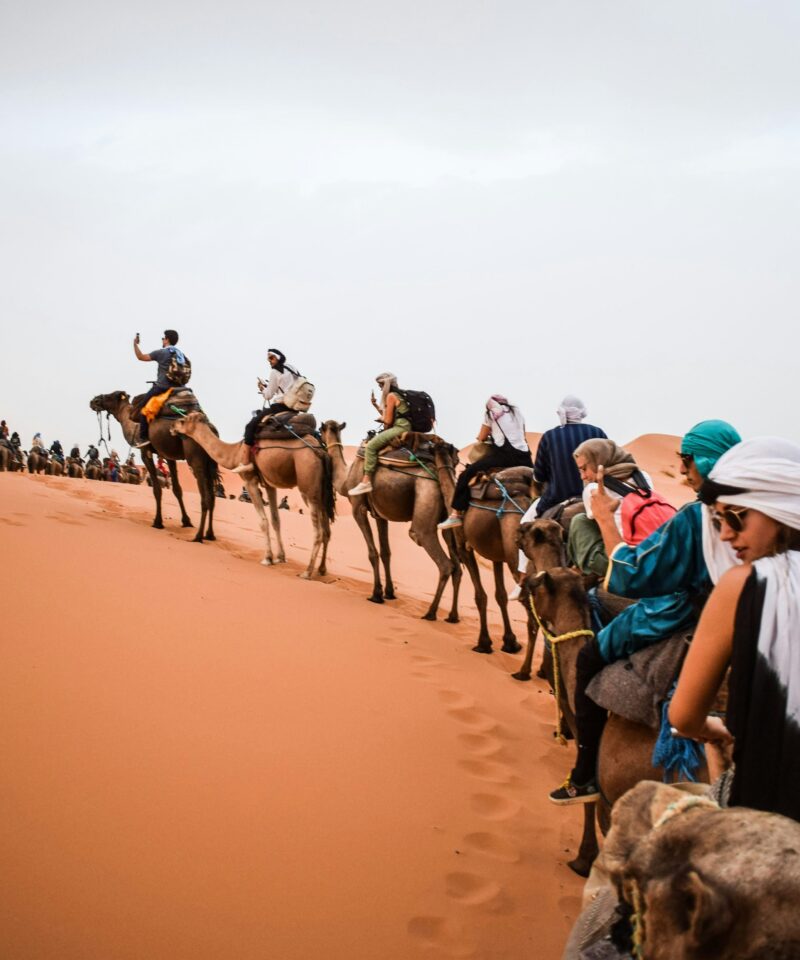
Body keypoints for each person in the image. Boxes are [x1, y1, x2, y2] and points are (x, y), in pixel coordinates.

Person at [549, 420, 742, 805]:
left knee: (587, 658)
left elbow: (630, 574)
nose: (684, 469)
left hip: (684, 613)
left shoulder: (701, 516)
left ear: (705, 460)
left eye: (687, 460)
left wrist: (603, 517)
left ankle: (585, 773)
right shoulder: (761, 507)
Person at [670, 437, 800, 821]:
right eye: (717, 520)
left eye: (735, 516)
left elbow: (683, 717)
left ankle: (583, 773)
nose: (725, 534)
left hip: (767, 823)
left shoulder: (741, 584)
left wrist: (712, 730)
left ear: (780, 507)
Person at [438, 395, 532, 529]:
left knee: (466, 475)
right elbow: (521, 433)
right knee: (538, 482)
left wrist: (487, 435)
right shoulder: (518, 413)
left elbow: (481, 437)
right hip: (524, 457)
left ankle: (456, 514)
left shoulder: (491, 414)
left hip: (504, 456)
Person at [566, 439, 656, 578]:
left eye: (584, 469)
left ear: (599, 462)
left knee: (580, 521)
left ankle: (580, 567)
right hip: (652, 553)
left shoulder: (594, 490)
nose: (583, 476)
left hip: (624, 560)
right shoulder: (644, 477)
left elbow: (595, 521)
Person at [533, 396, 607, 517]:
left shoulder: (549, 436)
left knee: (526, 523)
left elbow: (539, 476)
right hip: (597, 498)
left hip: (556, 500)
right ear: (582, 413)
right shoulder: (598, 433)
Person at [233, 348, 302, 475]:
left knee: (250, 426)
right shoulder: (291, 367)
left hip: (281, 406)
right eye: (268, 359)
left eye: (271, 358)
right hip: (295, 406)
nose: (269, 361)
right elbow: (288, 387)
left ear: (278, 357)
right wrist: (268, 385)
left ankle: (245, 462)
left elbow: (268, 395)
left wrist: (262, 389)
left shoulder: (274, 372)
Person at [348, 373, 415, 496]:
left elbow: (388, 420)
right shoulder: (401, 395)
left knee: (371, 446)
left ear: (386, 384)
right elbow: (393, 415)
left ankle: (366, 481)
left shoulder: (391, 396)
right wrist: (375, 405)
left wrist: (382, 419)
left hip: (400, 428)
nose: (380, 388)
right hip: (406, 427)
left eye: (381, 385)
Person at [133, 329, 185, 448]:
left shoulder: (162, 353)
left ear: (167, 340)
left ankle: (144, 438)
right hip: (180, 388)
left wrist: (135, 344)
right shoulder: (180, 354)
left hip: (163, 387)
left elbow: (140, 357)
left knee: (143, 408)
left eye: (163, 338)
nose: (162, 340)